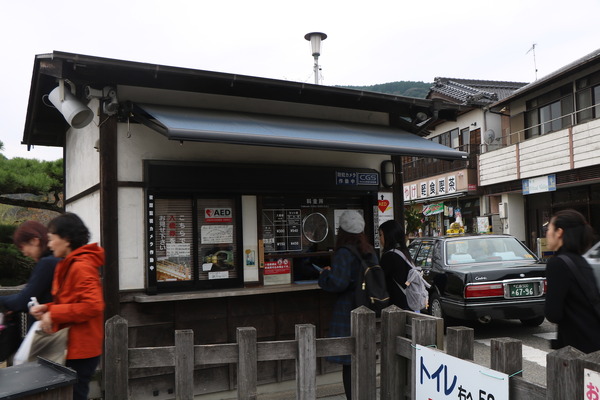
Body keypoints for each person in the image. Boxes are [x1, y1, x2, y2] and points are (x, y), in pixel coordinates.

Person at [30, 213, 105, 400]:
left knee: (74, 396)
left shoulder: (81, 266)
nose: (49, 245)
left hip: (81, 349)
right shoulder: (70, 264)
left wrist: (53, 313)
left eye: (51, 239)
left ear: (67, 239)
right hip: (73, 345)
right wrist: (47, 308)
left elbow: (93, 305)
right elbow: (70, 301)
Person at [318, 210, 377, 400]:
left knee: (350, 361)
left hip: (348, 311)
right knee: (363, 357)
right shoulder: (369, 250)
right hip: (367, 308)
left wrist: (325, 275)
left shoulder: (344, 252)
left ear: (341, 230)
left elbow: (339, 283)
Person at [544, 209, 600, 353]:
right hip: (594, 341)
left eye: (549, 228)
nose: (547, 234)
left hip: (575, 347)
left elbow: (553, 314)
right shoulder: (583, 262)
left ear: (559, 232)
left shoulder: (557, 263)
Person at [0, 221, 59, 331]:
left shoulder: (47, 263)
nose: (24, 253)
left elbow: (24, 300)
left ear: (34, 241)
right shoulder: (56, 261)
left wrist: (2, 301)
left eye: (22, 247)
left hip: (45, 331)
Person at [378, 220, 412, 310]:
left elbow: (379, 280)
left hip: (395, 307)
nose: (379, 239)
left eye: (381, 235)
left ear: (389, 235)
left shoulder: (390, 256)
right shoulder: (404, 252)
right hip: (408, 303)